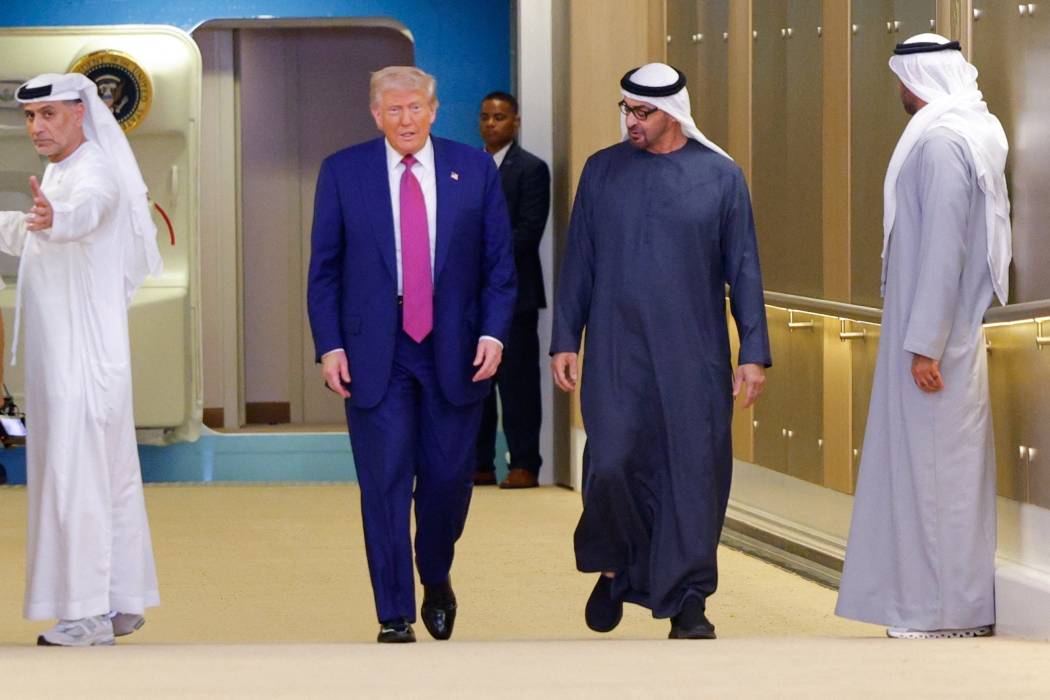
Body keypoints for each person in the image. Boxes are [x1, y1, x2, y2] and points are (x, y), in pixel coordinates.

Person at [550, 63, 770, 640]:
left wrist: (753, 351)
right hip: (616, 351)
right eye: (626, 109)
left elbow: (744, 269)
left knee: (693, 476)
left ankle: (688, 600)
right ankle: (615, 566)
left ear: (672, 113)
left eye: (642, 112)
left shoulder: (720, 177)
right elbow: (579, 261)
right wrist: (565, 338)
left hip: (693, 355)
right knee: (612, 462)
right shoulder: (602, 170)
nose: (631, 121)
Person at [307, 66, 516, 643]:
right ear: (376, 114)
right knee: (384, 484)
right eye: (394, 110)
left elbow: (499, 265)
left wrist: (494, 333)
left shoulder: (473, 168)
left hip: (456, 345)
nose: (406, 120)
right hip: (375, 349)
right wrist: (330, 345)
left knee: (448, 479)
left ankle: (437, 572)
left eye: (416, 108)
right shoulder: (343, 171)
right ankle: (393, 612)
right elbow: (324, 271)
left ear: (434, 110)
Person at [836, 34, 1010, 640]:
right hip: (937, 333)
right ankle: (938, 605)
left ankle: (943, 613)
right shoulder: (964, 132)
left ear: (919, 80)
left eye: (902, 79)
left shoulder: (939, 144)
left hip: (935, 341)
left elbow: (943, 250)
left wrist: (925, 344)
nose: (900, 90)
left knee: (934, 476)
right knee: (938, 471)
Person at [0, 73, 163, 646]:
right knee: (103, 473)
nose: (37, 127)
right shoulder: (61, 171)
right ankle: (120, 601)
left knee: (78, 475)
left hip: (83, 364)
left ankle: (86, 614)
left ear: (79, 113)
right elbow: (37, 233)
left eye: (49, 114)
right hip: (70, 359)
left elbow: (86, 212)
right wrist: (40, 222)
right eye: (30, 117)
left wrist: (58, 220)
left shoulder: (94, 170)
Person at [474, 91, 551, 490]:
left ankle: (524, 463)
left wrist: (478, 259)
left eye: (500, 117)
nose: (491, 123)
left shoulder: (532, 169)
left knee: (518, 383)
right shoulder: (465, 167)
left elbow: (528, 232)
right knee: (475, 383)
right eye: (486, 116)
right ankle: (479, 464)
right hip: (469, 298)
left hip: (515, 295)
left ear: (516, 122)